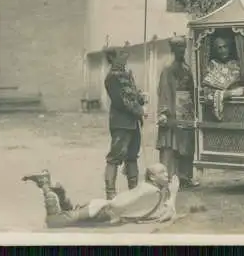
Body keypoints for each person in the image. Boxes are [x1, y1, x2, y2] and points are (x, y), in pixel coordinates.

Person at [22, 163, 180, 228]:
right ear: (153, 177)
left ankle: (56, 188)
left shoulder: (155, 189)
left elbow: (164, 213)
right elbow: (119, 204)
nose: (167, 175)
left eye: (166, 171)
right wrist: (111, 207)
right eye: (162, 172)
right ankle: (45, 184)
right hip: (103, 212)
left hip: (102, 209)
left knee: (68, 211)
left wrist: (172, 194)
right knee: (54, 221)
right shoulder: (150, 190)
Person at [156, 36, 200, 189]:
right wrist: (164, 111)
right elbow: (164, 91)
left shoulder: (187, 68)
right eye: (178, 47)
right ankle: (168, 178)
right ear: (173, 49)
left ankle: (185, 177)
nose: (182, 50)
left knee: (187, 144)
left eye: (183, 47)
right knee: (171, 145)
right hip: (173, 110)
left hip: (187, 110)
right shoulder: (168, 68)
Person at [103, 47, 146, 200]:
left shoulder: (127, 75)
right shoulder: (112, 78)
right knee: (115, 157)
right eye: (121, 54)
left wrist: (141, 97)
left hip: (133, 123)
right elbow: (121, 101)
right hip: (121, 124)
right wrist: (139, 110)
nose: (125, 56)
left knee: (132, 156)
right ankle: (110, 193)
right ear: (112, 58)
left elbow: (133, 96)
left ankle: (134, 192)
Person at [202, 36, 244, 121]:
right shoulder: (212, 65)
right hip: (216, 114)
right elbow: (208, 94)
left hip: (238, 109)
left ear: (229, 48)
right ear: (215, 50)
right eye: (219, 48)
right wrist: (230, 93)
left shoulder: (237, 64)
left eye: (225, 47)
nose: (223, 50)